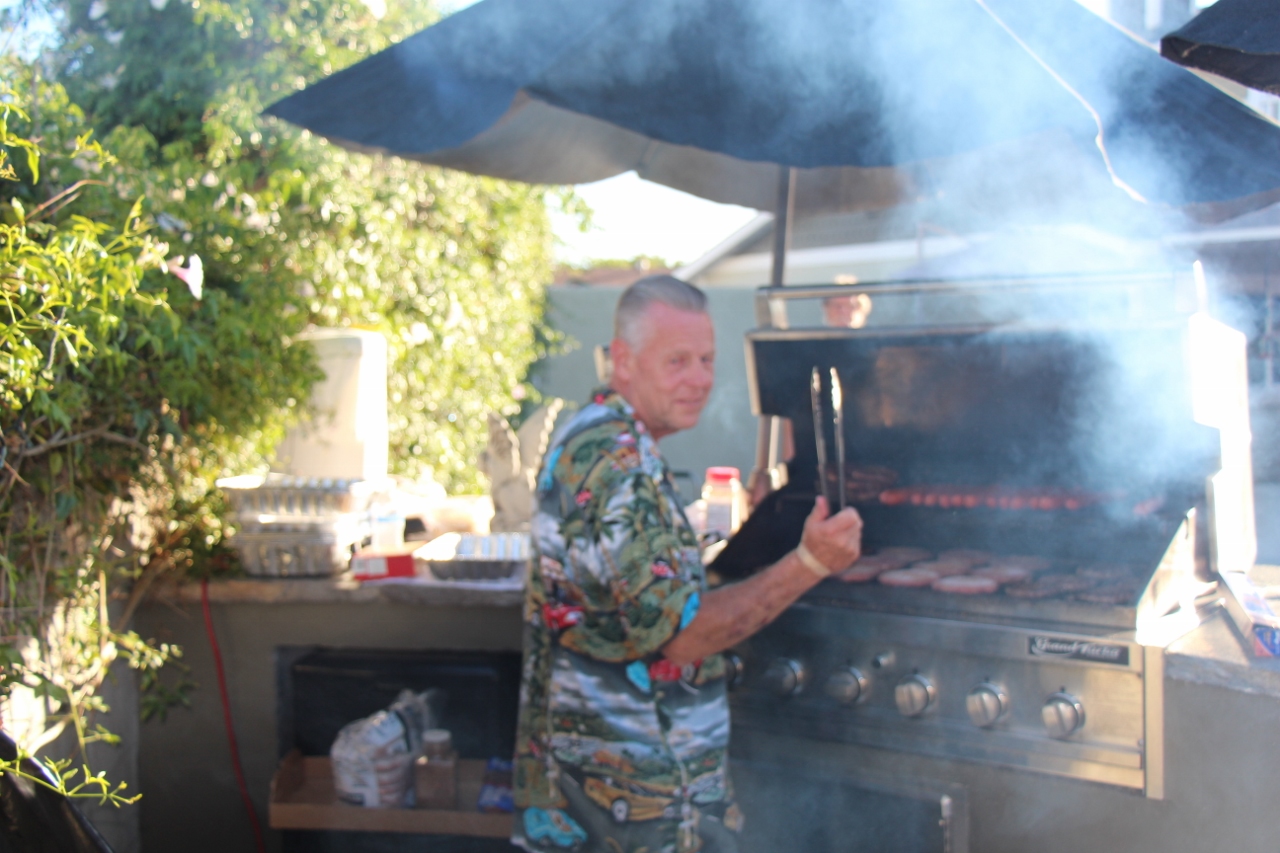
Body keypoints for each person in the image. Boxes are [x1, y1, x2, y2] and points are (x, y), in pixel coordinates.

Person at [512, 276, 863, 853]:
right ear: (623, 360)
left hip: (594, 801)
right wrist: (809, 562)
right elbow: (683, 634)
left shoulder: (601, 438)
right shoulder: (617, 463)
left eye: (706, 360)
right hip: (630, 813)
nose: (700, 379)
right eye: (677, 361)